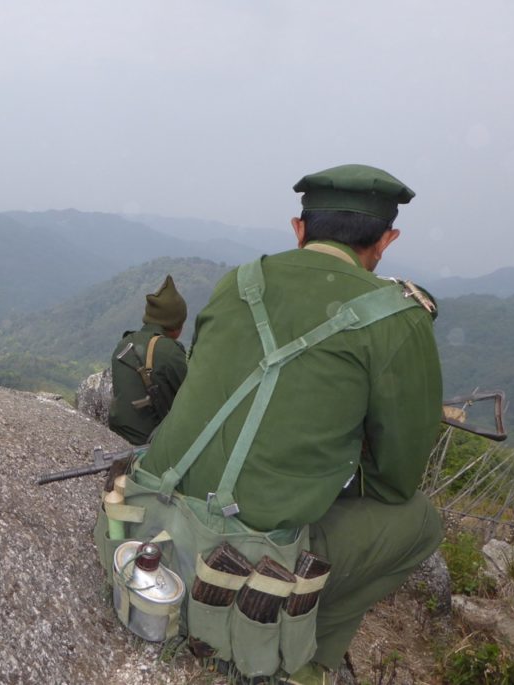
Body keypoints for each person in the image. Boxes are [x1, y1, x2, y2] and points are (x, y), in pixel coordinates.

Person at [140, 165, 443, 684]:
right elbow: (395, 480)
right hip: (255, 546)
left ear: (299, 229)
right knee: (421, 523)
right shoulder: (398, 317)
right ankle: (307, 655)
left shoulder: (238, 282)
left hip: (157, 511)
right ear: (386, 241)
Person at [107, 274, 188, 445]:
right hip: (150, 444)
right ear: (175, 325)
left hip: (116, 437)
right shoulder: (171, 352)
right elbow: (192, 396)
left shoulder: (123, 343)